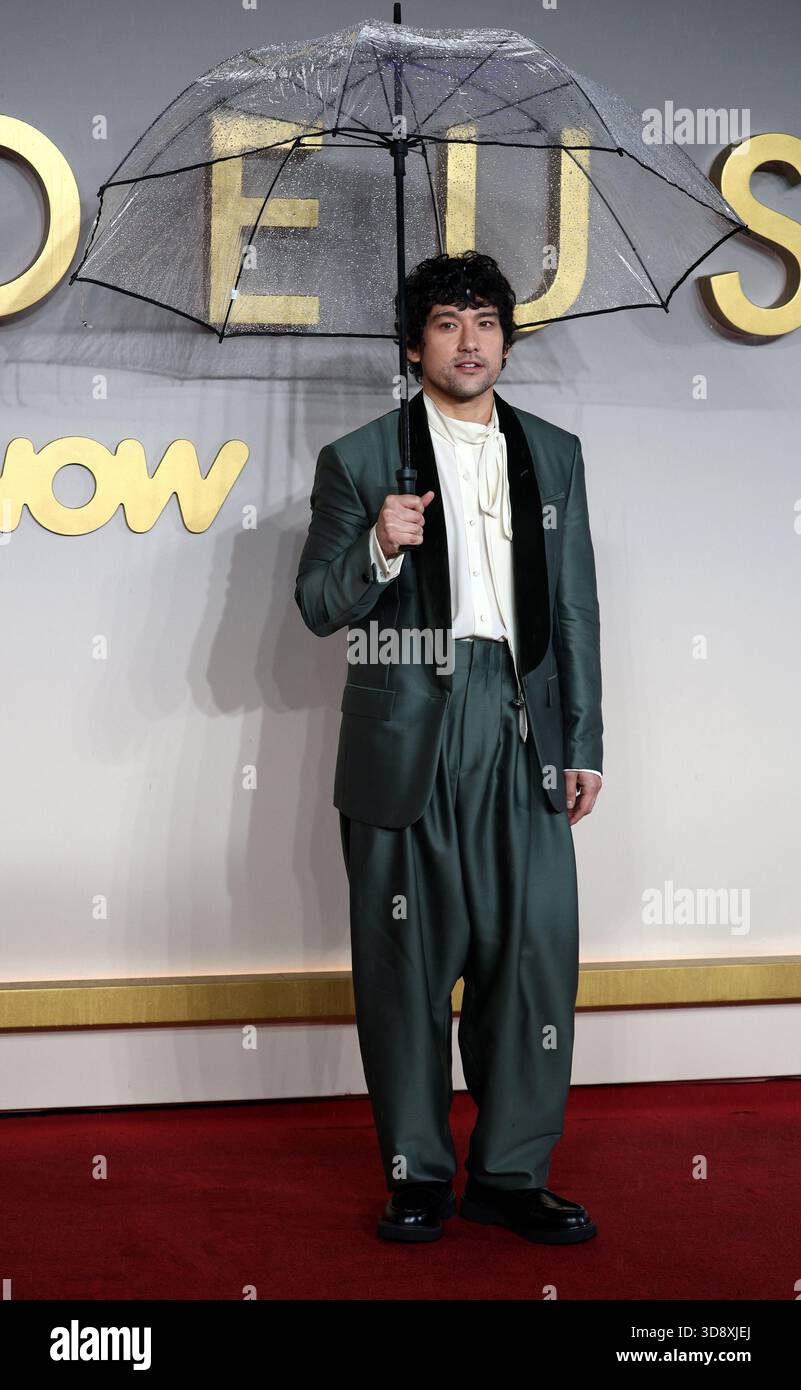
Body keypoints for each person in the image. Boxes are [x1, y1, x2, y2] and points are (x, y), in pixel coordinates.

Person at [294, 250, 603, 1245]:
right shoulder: (361, 459)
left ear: (506, 338)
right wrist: (380, 543)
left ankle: (510, 1172)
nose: (469, 341)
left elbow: (576, 608)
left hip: (521, 723)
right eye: (445, 323)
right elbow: (317, 605)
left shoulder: (553, 453)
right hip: (409, 727)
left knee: (533, 954)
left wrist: (583, 738)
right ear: (414, 341)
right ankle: (416, 1170)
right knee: (406, 964)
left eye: (484, 322)